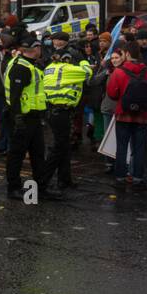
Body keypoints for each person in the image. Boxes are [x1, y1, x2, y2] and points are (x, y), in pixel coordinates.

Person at [5, 36, 62, 202]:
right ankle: (13, 188)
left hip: (34, 117)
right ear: (35, 49)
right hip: (22, 118)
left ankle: (41, 187)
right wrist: (18, 119)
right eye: (40, 47)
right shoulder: (21, 67)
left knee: (38, 154)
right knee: (17, 155)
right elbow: (14, 97)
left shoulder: (32, 65)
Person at [105, 40, 147, 191]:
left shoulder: (119, 71)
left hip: (123, 114)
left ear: (127, 54)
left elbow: (111, 93)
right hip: (142, 115)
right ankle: (138, 179)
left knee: (122, 147)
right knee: (139, 148)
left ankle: (120, 178)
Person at [43, 50, 91, 189]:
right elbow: (87, 72)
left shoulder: (50, 68)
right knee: (59, 147)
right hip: (61, 112)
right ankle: (43, 180)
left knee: (64, 147)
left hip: (53, 110)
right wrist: (83, 60)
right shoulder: (68, 69)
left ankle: (64, 180)